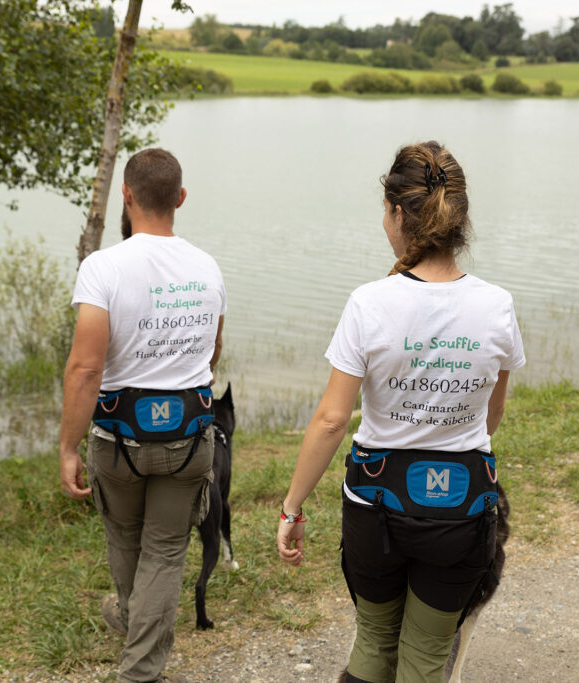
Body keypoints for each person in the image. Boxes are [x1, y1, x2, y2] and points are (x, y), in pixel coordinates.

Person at [276, 141, 525, 683]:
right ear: (459, 215)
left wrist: (292, 507)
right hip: (461, 508)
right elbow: (490, 415)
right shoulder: (497, 305)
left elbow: (331, 421)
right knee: (428, 658)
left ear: (395, 212)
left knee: (373, 645)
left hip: (375, 507)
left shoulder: (370, 302)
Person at [59, 148, 226, 683]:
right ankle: (138, 623)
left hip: (118, 439)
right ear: (180, 199)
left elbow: (86, 369)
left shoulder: (102, 267)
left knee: (128, 540)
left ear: (125, 197)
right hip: (188, 438)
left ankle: (138, 670)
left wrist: (68, 446)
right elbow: (212, 353)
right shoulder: (207, 266)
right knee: (164, 551)